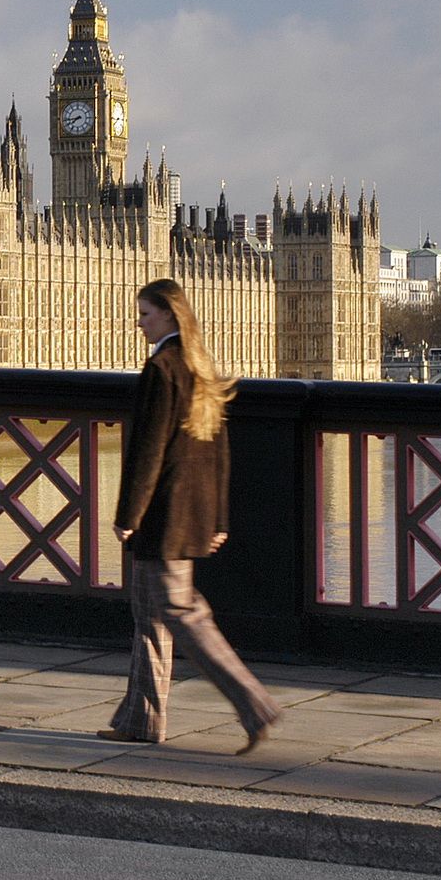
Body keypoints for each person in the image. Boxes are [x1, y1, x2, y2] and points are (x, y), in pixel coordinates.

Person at [100, 278, 282, 753]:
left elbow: (148, 450)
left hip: (165, 517)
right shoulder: (199, 366)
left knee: (183, 614)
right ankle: (142, 720)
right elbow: (218, 450)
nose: (138, 323)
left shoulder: (162, 368)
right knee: (148, 617)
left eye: (145, 314)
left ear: (168, 315)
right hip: (189, 513)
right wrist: (217, 518)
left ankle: (255, 704)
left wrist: (128, 514)